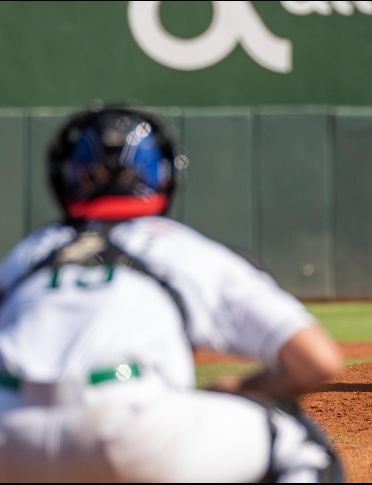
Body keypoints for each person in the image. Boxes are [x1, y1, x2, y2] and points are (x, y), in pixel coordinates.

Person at [0, 106, 345, 481]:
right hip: (129, 425)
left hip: (9, 431)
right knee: (299, 442)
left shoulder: (29, 253)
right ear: (164, 175)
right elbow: (318, 360)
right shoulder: (181, 248)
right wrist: (241, 387)